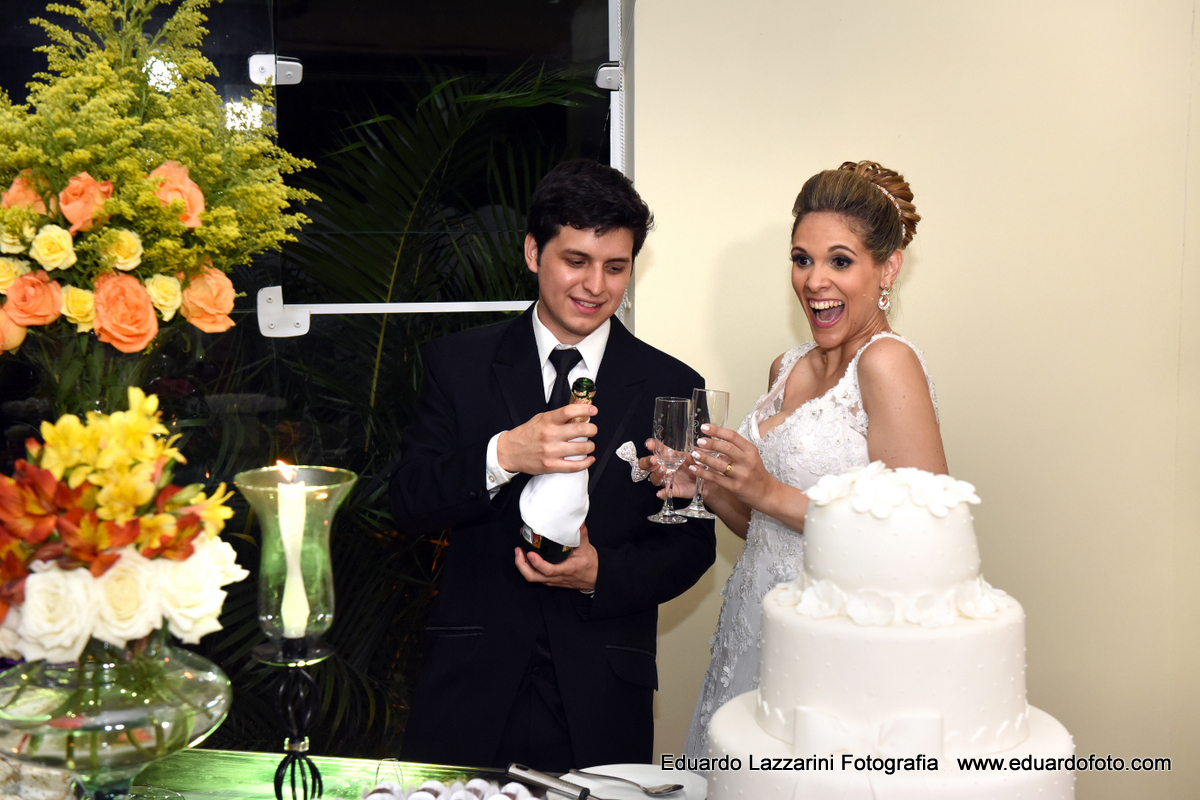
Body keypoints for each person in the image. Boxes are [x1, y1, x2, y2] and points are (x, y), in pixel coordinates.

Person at [390, 159, 716, 771]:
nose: (596, 285)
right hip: (468, 683)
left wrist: (601, 574)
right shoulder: (455, 364)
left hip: (601, 692)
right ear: (533, 252)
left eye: (615, 267)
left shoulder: (672, 384)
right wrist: (502, 455)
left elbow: (691, 544)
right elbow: (408, 500)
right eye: (576, 260)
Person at [657, 161, 948, 760]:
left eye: (840, 261)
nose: (815, 281)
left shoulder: (887, 363)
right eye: (802, 259)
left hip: (836, 645)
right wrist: (710, 487)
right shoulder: (786, 368)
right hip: (752, 629)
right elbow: (767, 532)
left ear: (887, 267)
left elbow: (921, 534)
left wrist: (764, 489)